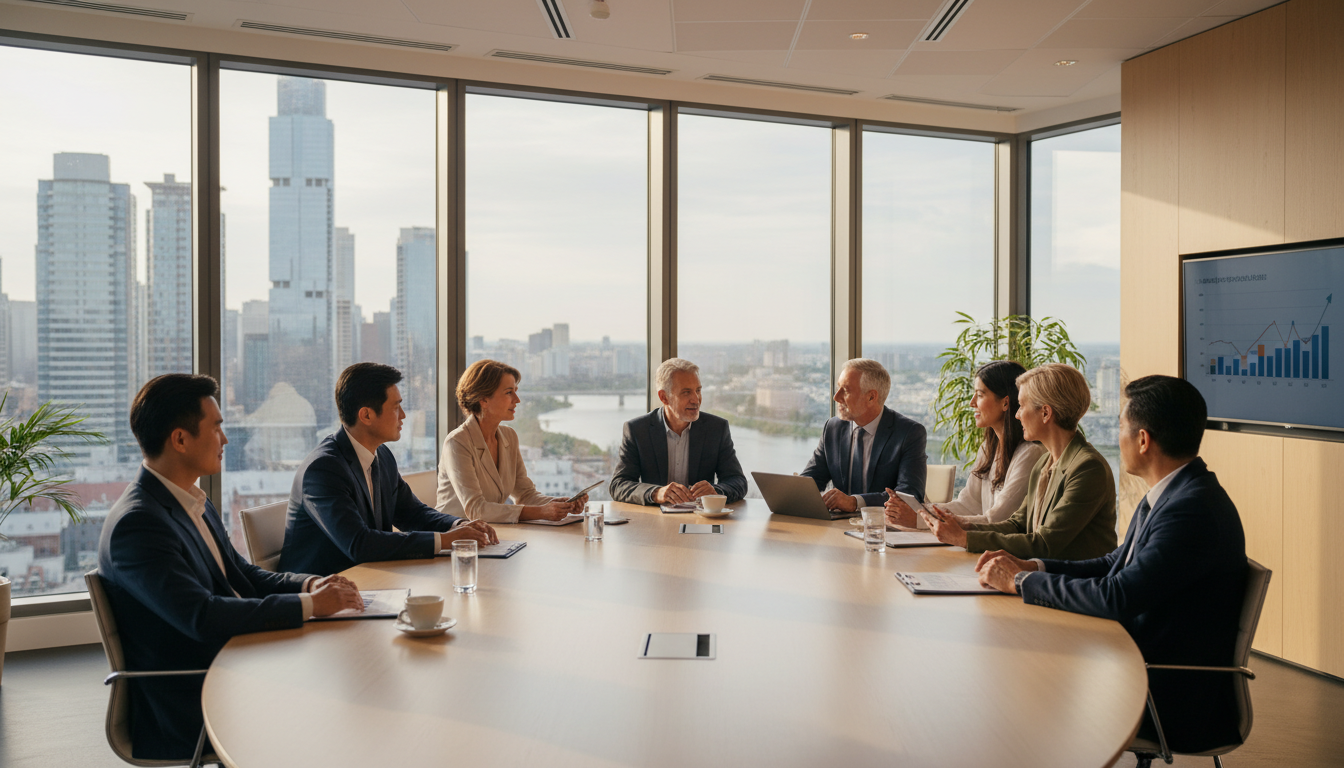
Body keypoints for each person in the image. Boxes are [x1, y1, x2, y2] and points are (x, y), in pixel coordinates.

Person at [97, 374, 365, 759]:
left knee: (346, 671)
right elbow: (201, 616)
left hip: (235, 660)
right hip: (193, 694)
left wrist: (310, 587)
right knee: (340, 695)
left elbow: (242, 576)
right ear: (180, 439)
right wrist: (311, 608)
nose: (225, 439)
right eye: (217, 428)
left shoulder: (191, 500)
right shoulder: (137, 524)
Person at [976, 375, 1247, 753]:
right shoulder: (1175, 493)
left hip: (1165, 693)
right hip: (1136, 662)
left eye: (1120, 426)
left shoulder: (1192, 510)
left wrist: (1021, 583)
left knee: (1012, 679)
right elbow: (1113, 563)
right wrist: (1034, 567)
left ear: (1143, 440)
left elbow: (1118, 596)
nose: (1114, 436)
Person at [280, 363, 497, 576]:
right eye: (396, 407)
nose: (403, 415)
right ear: (366, 415)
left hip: (368, 579)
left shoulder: (382, 455)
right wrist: (445, 540)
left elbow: (412, 513)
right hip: (321, 594)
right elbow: (359, 544)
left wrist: (458, 525)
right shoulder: (323, 469)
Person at [922, 363, 1117, 560]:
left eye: (1022, 406)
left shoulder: (1087, 468)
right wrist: (965, 525)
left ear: (1045, 413)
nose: (1016, 414)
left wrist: (965, 538)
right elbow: (1018, 524)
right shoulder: (1044, 463)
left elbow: (1043, 544)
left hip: (1073, 584)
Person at [885, 361, 1045, 527]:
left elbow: (998, 520)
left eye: (980, 395)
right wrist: (918, 510)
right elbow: (967, 505)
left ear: (1005, 402)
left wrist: (920, 520)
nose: (972, 402)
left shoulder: (1030, 453)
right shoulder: (988, 448)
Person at [437, 359, 589, 522]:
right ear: (484, 400)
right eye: (509, 392)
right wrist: (542, 512)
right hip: (455, 537)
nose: (517, 399)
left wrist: (559, 505)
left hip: (492, 533)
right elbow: (476, 509)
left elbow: (525, 494)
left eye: (515, 391)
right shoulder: (457, 442)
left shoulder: (509, 437)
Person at [609, 358, 748, 505]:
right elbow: (618, 485)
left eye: (698, 390)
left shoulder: (717, 429)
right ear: (664, 397)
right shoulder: (637, 430)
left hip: (700, 521)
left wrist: (717, 492)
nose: (696, 399)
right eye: (686, 392)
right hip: (655, 520)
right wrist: (656, 493)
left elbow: (738, 481)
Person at [800, 358, 926, 513]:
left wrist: (855, 502)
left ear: (871, 397)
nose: (836, 397)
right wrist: (790, 491)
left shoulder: (909, 433)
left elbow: (909, 495)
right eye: (838, 388)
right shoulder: (833, 428)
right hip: (837, 527)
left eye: (845, 390)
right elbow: (810, 481)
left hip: (883, 529)